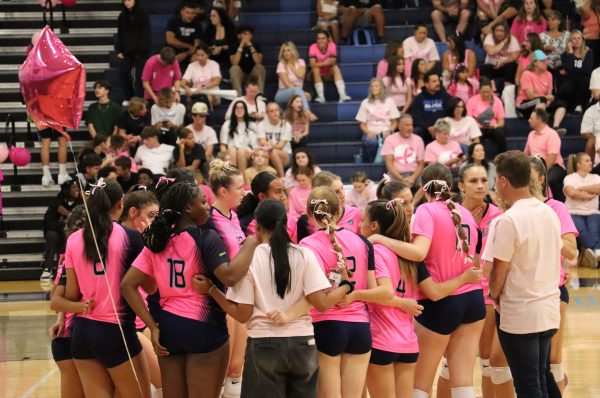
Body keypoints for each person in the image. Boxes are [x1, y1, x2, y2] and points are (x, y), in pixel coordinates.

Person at [194, 199, 353, 398]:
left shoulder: (249, 259)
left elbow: (242, 315)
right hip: (303, 344)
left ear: (257, 227)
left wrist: (211, 290)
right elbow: (320, 302)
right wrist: (347, 286)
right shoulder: (305, 254)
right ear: (286, 224)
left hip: (263, 343)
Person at [121, 181, 259, 398]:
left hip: (168, 329)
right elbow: (230, 276)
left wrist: (152, 326)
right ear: (187, 208)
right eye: (203, 202)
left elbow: (127, 285)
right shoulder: (205, 237)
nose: (208, 207)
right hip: (204, 329)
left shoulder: (158, 243)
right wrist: (252, 242)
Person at [368, 163, 484, 398]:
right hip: (473, 300)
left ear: (423, 187)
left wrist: (378, 238)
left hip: (442, 302)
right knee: (463, 383)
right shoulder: (465, 213)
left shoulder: (426, 212)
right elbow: (476, 261)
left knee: (418, 385)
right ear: (450, 186)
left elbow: (419, 254)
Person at [63, 178, 151, 397]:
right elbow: (151, 288)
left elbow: (71, 295)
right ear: (120, 204)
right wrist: (151, 247)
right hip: (116, 331)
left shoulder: (74, 239)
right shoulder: (131, 237)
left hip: (82, 332)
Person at [485, 150, 562, 398]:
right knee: (541, 376)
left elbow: (498, 272)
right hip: (549, 309)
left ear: (504, 181)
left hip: (520, 314)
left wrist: (494, 295)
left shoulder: (509, 220)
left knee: (529, 385)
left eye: (496, 179)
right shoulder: (549, 212)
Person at [299, 186, 374, 398]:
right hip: (360, 327)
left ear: (309, 214)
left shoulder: (306, 245)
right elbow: (371, 286)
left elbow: (313, 296)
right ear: (339, 212)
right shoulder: (361, 241)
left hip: (326, 325)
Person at [529, 155, 578, 395]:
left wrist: (547, 232)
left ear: (540, 177)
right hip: (522, 294)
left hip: (553, 290)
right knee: (529, 364)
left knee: (553, 360)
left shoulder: (555, 208)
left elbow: (570, 251)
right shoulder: (511, 209)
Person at [48, 206, 87, 398]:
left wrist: (61, 318)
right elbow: (56, 301)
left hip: (67, 335)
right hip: (80, 333)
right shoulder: (74, 257)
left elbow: (57, 300)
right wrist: (79, 308)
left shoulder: (67, 257)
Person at [516, 50, 566, 135]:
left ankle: (555, 128)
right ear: (535, 62)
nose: (546, 62)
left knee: (562, 103)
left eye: (546, 60)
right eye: (542, 60)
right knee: (541, 99)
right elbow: (531, 96)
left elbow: (549, 93)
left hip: (542, 102)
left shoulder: (549, 74)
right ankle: (540, 128)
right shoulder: (527, 74)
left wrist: (549, 101)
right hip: (524, 105)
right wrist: (547, 98)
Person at [563, 152, 600, 267]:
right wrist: (590, 195)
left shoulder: (596, 177)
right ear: (578, 164)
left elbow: (598, 188)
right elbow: (572, 193)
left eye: (590, 160)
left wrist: (581, 188)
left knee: (594, 233)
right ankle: (597, 251)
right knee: (582, 230)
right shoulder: (569, 178)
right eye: (587, 161)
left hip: (593, 211)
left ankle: (592, 254)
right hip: (573, 212)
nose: (591, 163)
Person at [41, 180, 82, 280]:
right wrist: (65, 226)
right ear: (67, 190)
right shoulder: (56, 203)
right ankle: (47, 268)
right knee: (51, 235)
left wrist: (68, 215)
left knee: (73, 237)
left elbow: (81, 222)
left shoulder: (80, 203)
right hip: (59, 233)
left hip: (73, 234)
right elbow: (48, 222)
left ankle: (71, 270)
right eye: (74, 187)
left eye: (78, 188)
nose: (77, 190)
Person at [523, 108, 566, 201]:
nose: (529, 120)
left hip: (554, 166)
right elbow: (525, 154)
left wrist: (540, 171)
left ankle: (559, 204)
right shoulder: (531, 134)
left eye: (531, 118)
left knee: (550, 180)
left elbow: (552, 158)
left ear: (539, 120)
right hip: (535, 166)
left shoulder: (552, 134)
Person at [356, 78, 400, 163]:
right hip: (371, 131)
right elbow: (362, 124)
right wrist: (369, 132)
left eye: (376, 86)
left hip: (386, 131)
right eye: (372, 86)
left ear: (382, 88)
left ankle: (389, 164)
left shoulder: (390, 101)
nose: (374, 88)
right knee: (372, 142)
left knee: (388, 140)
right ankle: (373, 163)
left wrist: (390, 130)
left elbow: (394, 122)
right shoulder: (365, 102)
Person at [235, 172, 289, 238]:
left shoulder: (286, 217)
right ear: (262, 196)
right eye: (278, 192)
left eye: (284, 191)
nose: (284, 197)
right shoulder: (250, 224)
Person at [116, 0, 150, 102]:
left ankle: (140, 99)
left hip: (141, 52)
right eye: (125, 0)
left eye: (130, 0)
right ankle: (129, 98)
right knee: (123, 73)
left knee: (140, 77)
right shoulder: (122, 16)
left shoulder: (142, 13)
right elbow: (120, 34)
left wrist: (141, 50)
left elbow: (146, 34)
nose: (127, 2)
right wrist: (119, 50)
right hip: (127, 52)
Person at [275, 42, 318, 122]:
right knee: (300, 92)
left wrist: (290, 65)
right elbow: (287, 84)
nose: (286, 53)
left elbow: (300, 75)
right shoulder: (281, 64)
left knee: (302, 94)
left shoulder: (300, 62)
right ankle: (307, 112)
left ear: (293, 51)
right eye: (283, 51)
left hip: (296, 93)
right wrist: (301, 92)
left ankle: (299, 120)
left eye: (288, 50)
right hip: (282, 93)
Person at [381, 114, 425, 188]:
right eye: (406, 125)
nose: (410, 128)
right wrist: (402, 179)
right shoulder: (390, 139)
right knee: (386, 186)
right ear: (399, 126)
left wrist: (413, 178)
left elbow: (421, 164)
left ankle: (416, 200)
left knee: (427, 186)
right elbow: (389, 165)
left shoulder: (418, 140)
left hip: (415, 174)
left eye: (411, 125)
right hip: (396, 174)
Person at [466, 77, 507, 157]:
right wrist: (476, 126)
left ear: (491, 90)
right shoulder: (472, 101)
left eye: (488, 92)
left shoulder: (497, 101)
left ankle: (502, 158)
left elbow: (501, 122)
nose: (486, 94)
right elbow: (468, 119)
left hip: (492, 127)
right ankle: (482, 160)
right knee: (478, 138)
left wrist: (494, 126)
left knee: (500, 134)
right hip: (477, 128)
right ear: (479, 91)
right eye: (483, 92)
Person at [308, 30, 351, 103]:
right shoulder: (313, 47)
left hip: (327, 74)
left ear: (328, 39)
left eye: (323, 38)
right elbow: (312, 65)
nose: (320, 40)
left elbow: (332, 62)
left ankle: (342, 95)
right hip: (315, 75)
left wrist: (319, 63)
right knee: (316, 69)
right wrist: (325, 62)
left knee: (335, 68)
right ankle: (320, 97)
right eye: (318, 38)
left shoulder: (332, 46)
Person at [411, 71, 452, 145]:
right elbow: (416, 118)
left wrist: (438, 126)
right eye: (434, 81)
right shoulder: (418, 99)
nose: (438, 83)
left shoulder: (445, 96)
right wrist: (428, 127)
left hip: (443, 127)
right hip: (426, 129)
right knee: (417, 131)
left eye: (438, 81)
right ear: (426, 84)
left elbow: (450, 112)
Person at [558, 30, 594, 114]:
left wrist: (570, 70)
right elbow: (569, 69)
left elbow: (587, 70)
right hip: (570, 81)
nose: (577, 41)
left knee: (585, 80)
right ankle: (570, 108)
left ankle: (579, 106)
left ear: (582, 40)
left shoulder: (588, 52)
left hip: (583, 81)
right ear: (570, 41)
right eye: (574, 38)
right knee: (567, 87)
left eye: (579, 38)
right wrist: (570, 53)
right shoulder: (565, 54)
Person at [220, 101, 258, 173]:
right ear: (233, 110)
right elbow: (223, 146)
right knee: (233, 150)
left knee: (241, 151)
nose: (239, 110)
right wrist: (227, 154)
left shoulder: (252, 125)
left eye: (241, 108)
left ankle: (242, 178)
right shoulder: (227, 124)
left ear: (245, 110)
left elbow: (256, 146)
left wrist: (252, 153)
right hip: (231, 152)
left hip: (248, 153)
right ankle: (232, 177)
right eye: (237, 108)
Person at [480, 20, 520, 88]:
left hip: (505, 68)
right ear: (494, 31)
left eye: (502, 31)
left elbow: (515, 56)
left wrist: (503, 62)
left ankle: (507, 89)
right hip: (492, 67)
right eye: (497, 30)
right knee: (484, 67)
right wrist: (504, 42)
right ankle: (492, 90)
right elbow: (491, 52)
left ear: (506, 32)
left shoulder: (512, 39)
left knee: (512, 65)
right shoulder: (489, 37)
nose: (499, 33)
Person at [229, 25, 267, 96]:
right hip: (241, 74)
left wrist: (251, 46)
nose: (247, 36)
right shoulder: (234, 46)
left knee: (260, 67)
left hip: (252, 73)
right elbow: (234, 63)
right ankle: (238, 95)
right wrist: (241, 46)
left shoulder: (256, 46)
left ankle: (259, 94)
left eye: (249, 34)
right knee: (234, 68)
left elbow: (258, 62)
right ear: (239, 36)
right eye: (245, 34)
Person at [257, 102, 292, 177]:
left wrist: (271, 145)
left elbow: (281, 146)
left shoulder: (286, 125)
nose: (275, 113)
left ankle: (282, 177)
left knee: (273, 151)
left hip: (285, 155)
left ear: (279, 111)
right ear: (267, 114)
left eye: (276, 110)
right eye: (272, 111)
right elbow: (262, 142)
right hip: (266, 153)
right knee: (259, 154)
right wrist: (269, 145)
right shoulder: (261, 124)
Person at [165, 0, 203, 69]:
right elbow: (170, 40)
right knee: (167, 56)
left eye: (192, 13)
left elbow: (196, 46)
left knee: (198, 58)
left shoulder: (198, 25)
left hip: (189, 53)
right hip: (173, 51)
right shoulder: (173, 21)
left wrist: (186, 54)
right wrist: (188, 46)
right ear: (181, 12)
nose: (190, 16)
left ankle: (196, 79)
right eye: (187, 13)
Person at [203, 7, 236, 73]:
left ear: (221, 16)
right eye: (210, 16)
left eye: (213, 16)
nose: (211, 18)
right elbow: (205, 44)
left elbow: (233, 44)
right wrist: (211, 48)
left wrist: (221, 47)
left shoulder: (230, 28)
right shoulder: (209, 29)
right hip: (212, 54)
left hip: (227, 54)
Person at [540, 11, 570, 75]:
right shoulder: (542, 36)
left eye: (553, 20)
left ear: (559, 21)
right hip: (546, 67)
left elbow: (571, 51)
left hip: (563, 66)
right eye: (548, 20)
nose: (550, 22)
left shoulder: (567, 35)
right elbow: (535, 53)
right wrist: (544, 50)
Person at [576, 0, 600, 68]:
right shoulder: (587, 12)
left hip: (598, 41)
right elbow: (583, 9)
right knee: (590, 66)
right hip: (589, 42)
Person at [580, 98, 600, 169]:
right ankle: (590, 169)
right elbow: (584, 132)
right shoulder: (591, 111)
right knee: (591, 141)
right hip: (597, 142)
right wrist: (595, 139)